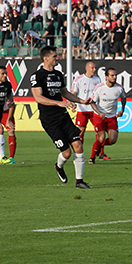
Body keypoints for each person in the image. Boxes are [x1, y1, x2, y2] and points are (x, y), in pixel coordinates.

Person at [29, 46, 92, 189]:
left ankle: (79, 181)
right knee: (67, 152)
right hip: (49, 120)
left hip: (63, 116)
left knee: (78, 145)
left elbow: (65, 93)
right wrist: (59, 103)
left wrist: (82, 101)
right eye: (54, 56)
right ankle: (59, 166)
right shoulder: (37, 76)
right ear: (46, 59)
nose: (57, 58)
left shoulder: (58, 74)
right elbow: (38, 98)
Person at [88, 68, 127, 163]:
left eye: (115, 75)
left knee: (113, 140)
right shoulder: (99, 88)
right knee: (101, 138)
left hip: (112, 117)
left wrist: (122, 109)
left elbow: (124, 98)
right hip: (99, 116)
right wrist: (99, 113)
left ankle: (99, 146)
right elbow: (92, 102)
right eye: (112, 75)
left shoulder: (119, 88)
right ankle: (92, 157)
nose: (115, 77)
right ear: (106, 77)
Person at [72, 61, 102, 144]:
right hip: (82, 109)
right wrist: (72, 103)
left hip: (94, 109)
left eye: (95, 68)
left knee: (99, 131)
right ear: (87, 68)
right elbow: (73, 93)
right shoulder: (79, 79)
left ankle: (99, 150)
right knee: (81, 131)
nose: (94, 69)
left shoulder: (97, 79)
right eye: (92, 68)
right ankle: (79, 150)